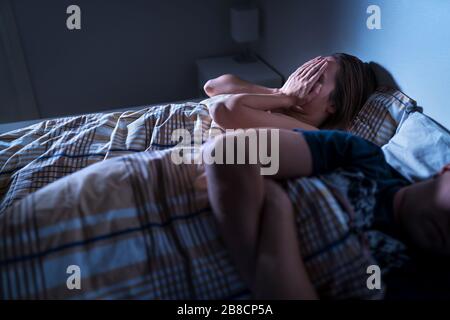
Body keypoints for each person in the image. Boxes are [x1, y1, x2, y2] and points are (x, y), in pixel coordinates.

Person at [203, 129, 450, 299]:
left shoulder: (427, 284)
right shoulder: (362, 158)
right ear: (446, 170)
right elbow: (231, 152)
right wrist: (269, 280)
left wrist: (278, 209)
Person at [203, 53, 377, 131]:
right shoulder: (281, 100)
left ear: (333, 104)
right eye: (308, 70)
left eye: (317, 78)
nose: (303, 80)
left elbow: (223, 109)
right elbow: (212, 87)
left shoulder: (308, 134)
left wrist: (285, 98)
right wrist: (279, 93)